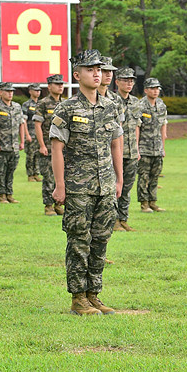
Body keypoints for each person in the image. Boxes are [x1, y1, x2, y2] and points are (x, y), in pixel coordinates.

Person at [50, 49, 123, 316]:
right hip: (78, 187)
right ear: (77, 74)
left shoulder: (110, 106)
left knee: (101, 241)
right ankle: (78, 297)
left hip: (105, 185)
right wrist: (60, 186)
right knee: (79, 241)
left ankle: (94, 294)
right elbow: (57, 149)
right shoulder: (67, 108)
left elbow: (116, 144)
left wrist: (119, 179)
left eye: (100, 69)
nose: (97, 73)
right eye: (90, 69)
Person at [113, 68, 141, 232]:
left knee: (127, 187)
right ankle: (114, 219)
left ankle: (123, 219)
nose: (129, 83)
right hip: (116, 152)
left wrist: (136, 148)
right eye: (125, 80)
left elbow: (137, 126)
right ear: (117, 82)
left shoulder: (136, 102)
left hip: (130, 151)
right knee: (115, 186)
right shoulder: (112, 101)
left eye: (131, 80)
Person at [0, 82, 25, 204]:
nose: (10, 94)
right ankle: (2, 195)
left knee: (11, 171)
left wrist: (22, 141)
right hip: (2, 146)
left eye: (11, 91)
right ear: (2, 92)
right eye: (7, 91)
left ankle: (9, 194)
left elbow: (21, 124)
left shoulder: (17, 107)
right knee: (1, 172)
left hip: (14, 145)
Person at [35, 74, 65, 216]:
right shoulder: (43, 103)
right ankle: (48, 205)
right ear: (49, 86)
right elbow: (38, 125)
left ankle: (58, 204)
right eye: (56, 84)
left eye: (61, 84)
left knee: (60, 177)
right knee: (48, 177)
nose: (60, 86)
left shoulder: (64, 104)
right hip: (47, 146)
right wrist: (42, 145)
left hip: (62, 149)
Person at [137, 77, 167, 213]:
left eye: (157, 88)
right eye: (152, 88)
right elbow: (137, 127)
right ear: (146, 90)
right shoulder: (140, 105)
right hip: (144, 148)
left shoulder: (161, 105)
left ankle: (153, 201)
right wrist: (136, 148)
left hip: (157, 148)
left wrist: (163, 148)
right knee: (144, 177)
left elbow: (163, 125)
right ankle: (144, 204)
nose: (155, 91)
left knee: (155, 176)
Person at [23, 83, 43, 182]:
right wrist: (26, 134)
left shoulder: (41, 104)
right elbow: (24, 121)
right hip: (31, 133)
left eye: (39, 90)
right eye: (35, 90)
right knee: (30, 155)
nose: (38, 92)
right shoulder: (27, 105)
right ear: (30, 91)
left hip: (39, 134)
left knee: (38, 155)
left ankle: (36, 173)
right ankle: (30, 175)